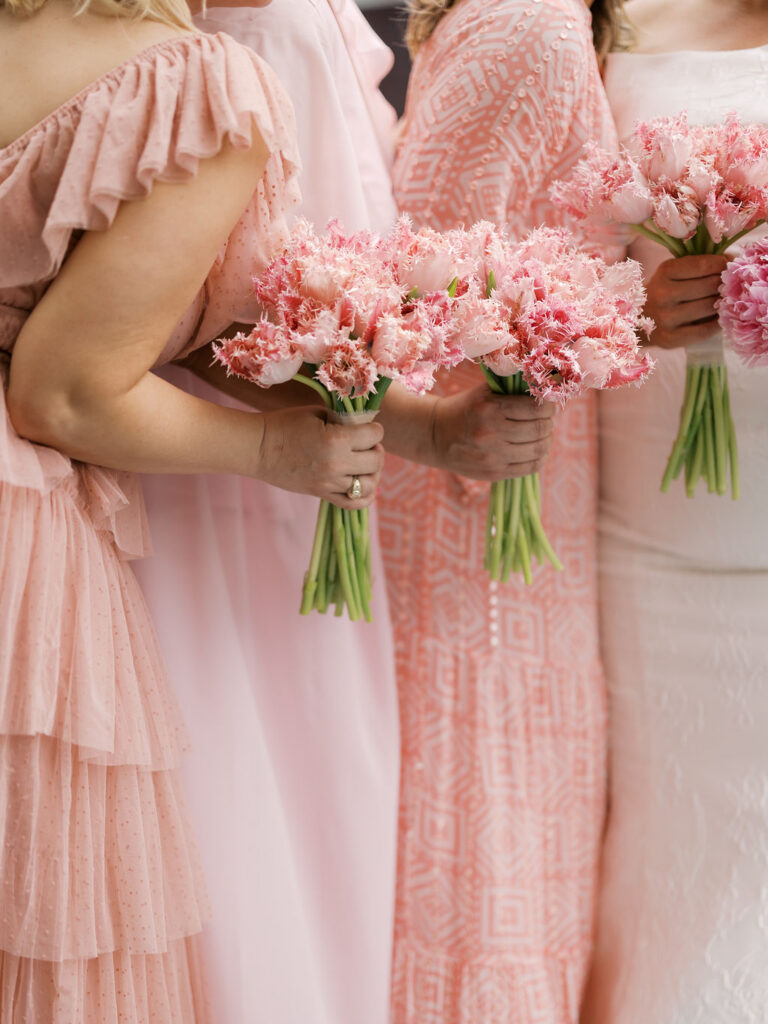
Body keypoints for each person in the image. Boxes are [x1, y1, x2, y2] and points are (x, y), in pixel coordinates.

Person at [134, 1, 556, 1021]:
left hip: (295, 476)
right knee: (271, 811)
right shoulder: (260, 34)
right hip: (244, 494)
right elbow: (237, 318)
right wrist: (422, 429)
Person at [0, 0, 385, 1018]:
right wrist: (272, 450)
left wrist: (420, 422)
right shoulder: (195, 87)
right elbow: (63, 392)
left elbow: (125, 311)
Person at [379, 2, 625, 1021]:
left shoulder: (519, 19)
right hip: (472, 513)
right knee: (487, 828)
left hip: (501, 502)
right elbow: (418, 294)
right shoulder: (527, 25)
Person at [582, 1, 768, 1020]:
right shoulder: (623, 19)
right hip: (646, 536)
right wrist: (631, 307)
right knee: (663, 856)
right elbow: (544, 236)